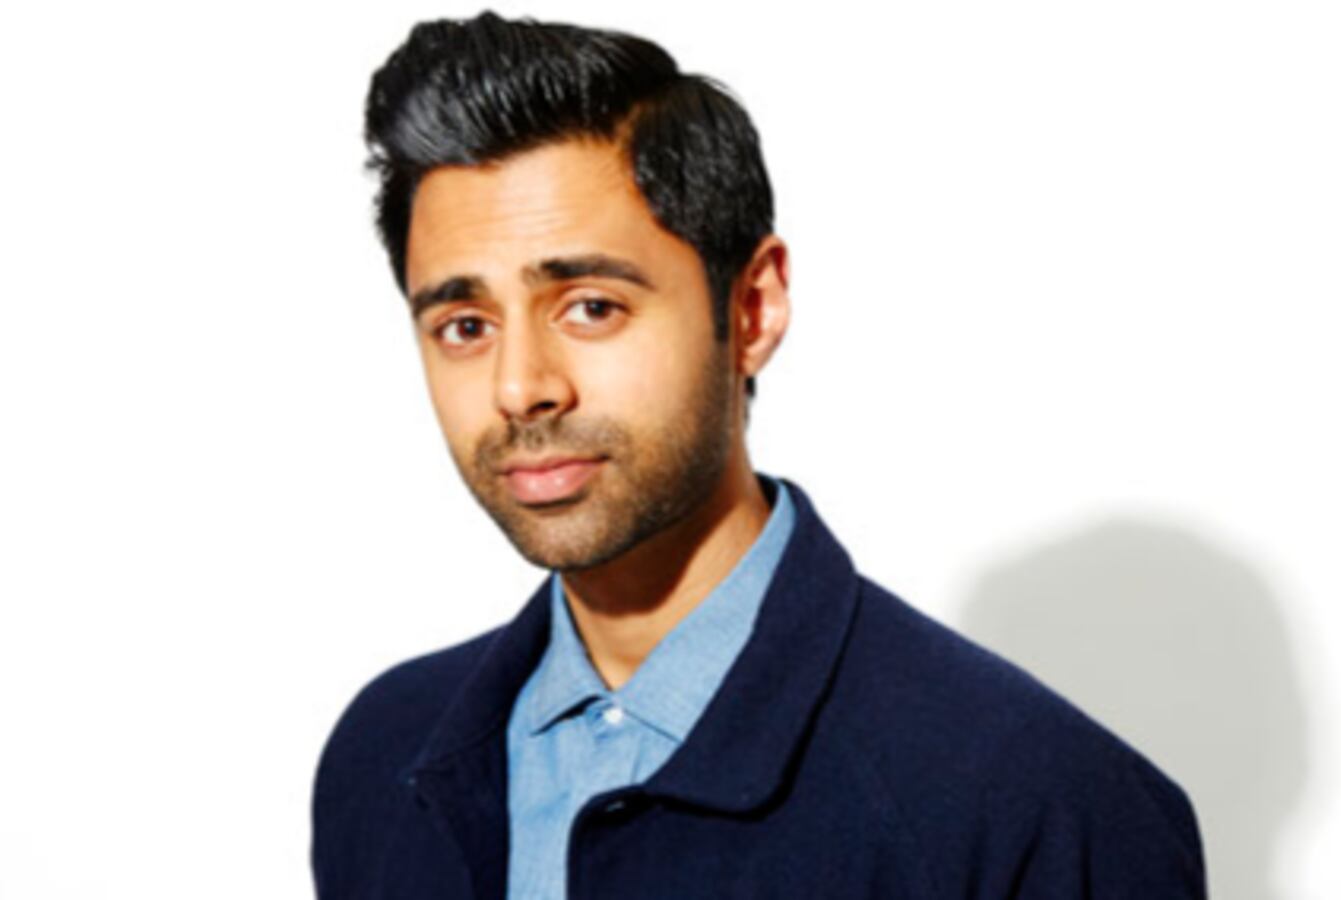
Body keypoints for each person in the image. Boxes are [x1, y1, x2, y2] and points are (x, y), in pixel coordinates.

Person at [311, 12, 1206, 899]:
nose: (521, 388)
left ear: (751, 310)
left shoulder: (1037, 804)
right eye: (465, 326)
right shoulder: (383, 756)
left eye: (591, 306)